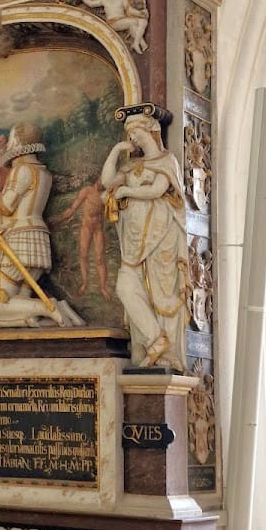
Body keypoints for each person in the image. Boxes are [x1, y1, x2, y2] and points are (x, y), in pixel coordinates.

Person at [100, 110, 188, 370]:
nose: (132, 138)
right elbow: (107, 182)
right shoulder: (130, 167)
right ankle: (153, 340)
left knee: (160, 291)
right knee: (125, 287)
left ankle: (163, 348)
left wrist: (126, 190)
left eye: (135, 132)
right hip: (134, 241)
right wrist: (116, 151)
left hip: (161, 238)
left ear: (150, 130)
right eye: (129, 135)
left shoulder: (166, 161)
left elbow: (158, 189)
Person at [0, 124, 81, 328]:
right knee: (17, 302)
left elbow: (6, 207)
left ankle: (49, 308)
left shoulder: (21, 170)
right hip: (36, 238)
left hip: (17, 241)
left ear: (19, 143)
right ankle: (52, 313)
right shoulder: (43, 172)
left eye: (12, 139)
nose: (9, 144)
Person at [49, 178, 111, 298]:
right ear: (97, 179)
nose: (102, 183)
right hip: (86, 228)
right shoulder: (87, 191)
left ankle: (103, 288)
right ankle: (84, 284)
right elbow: (72, 209)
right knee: (83, 255)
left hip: (98, 229)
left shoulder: (106, 194)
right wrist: (58, 220)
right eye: (100, 180)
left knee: (99, 258)